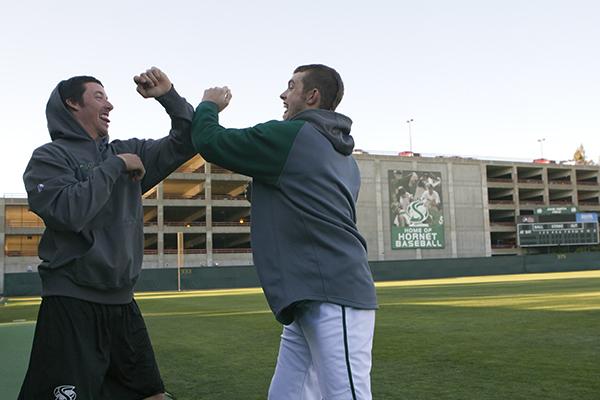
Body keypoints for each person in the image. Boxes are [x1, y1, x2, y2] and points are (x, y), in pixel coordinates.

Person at [191, 64, 378, 399]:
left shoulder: (291, 135)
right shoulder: (345, 160)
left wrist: (209, 104)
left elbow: (211, 141)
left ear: (312, 96)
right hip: (310, 293)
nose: (283, 93)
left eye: (291, 86)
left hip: (333, 293)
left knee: (347, 395)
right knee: (286, 393)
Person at [19, 67, 196, 400]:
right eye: (99, 96)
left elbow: (187, 141)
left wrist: (169, 96)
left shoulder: (128, 152)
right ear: (71, 104)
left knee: (153, 395)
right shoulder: (48, 157)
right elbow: (67, 213)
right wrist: (115, 167)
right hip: (71, 304)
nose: (110, 105)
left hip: (123, 304)